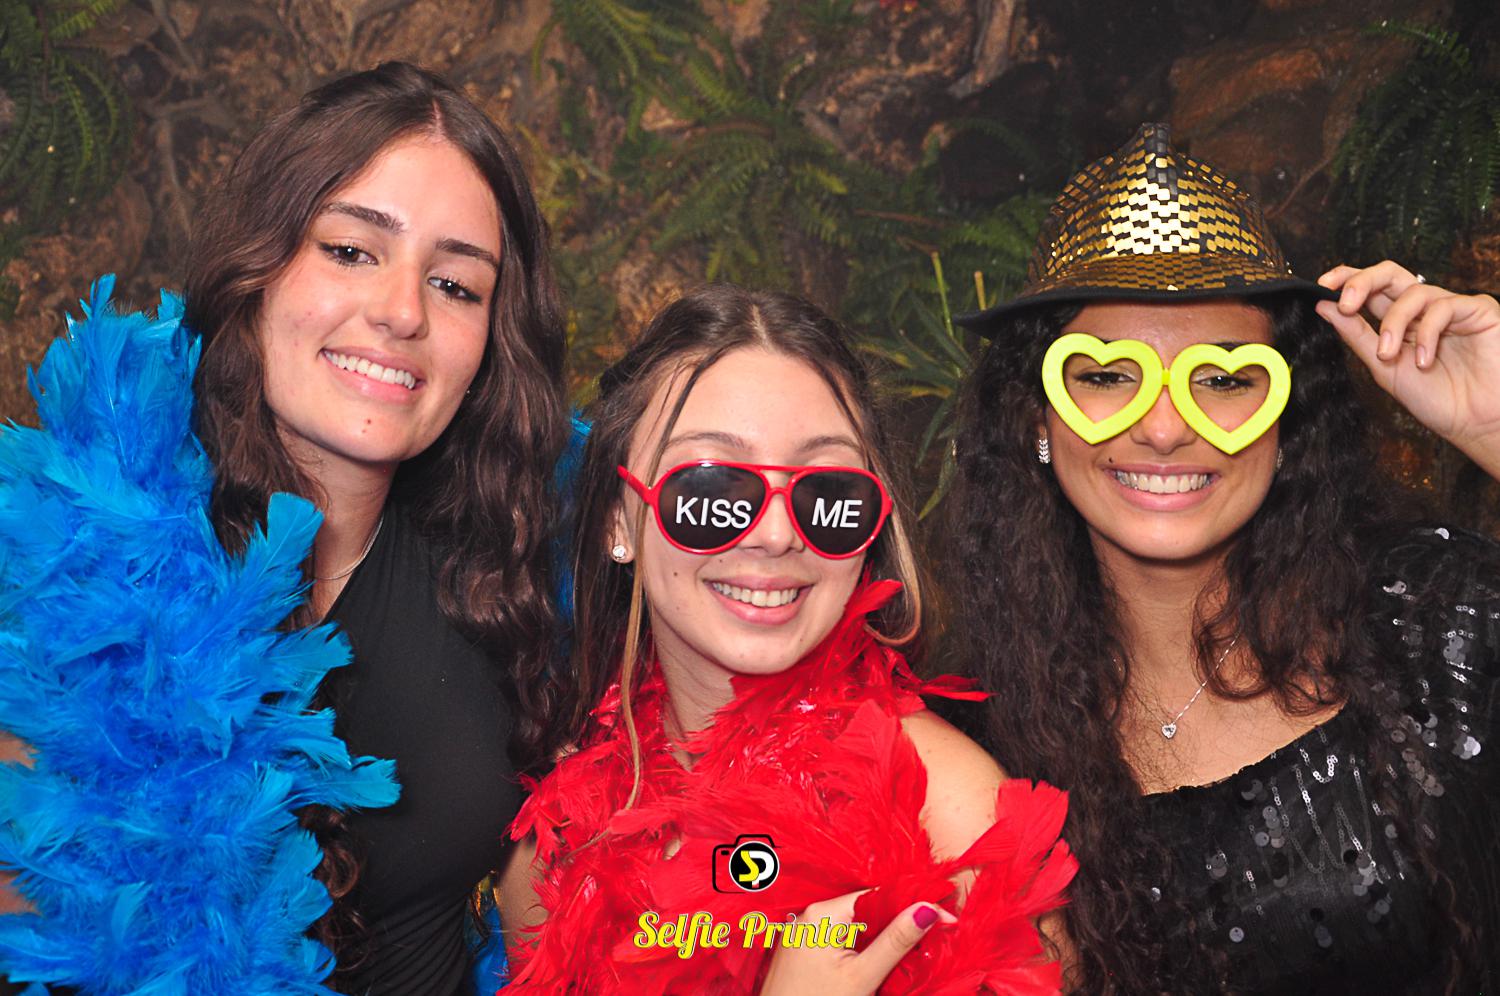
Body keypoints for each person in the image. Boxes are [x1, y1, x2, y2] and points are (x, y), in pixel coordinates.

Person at [1, 62, 570, 994]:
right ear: (258, 267)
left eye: (456, 284)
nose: (402, 312)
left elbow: (554, 933)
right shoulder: (79, 572)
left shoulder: (510, 566)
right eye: (351, 250)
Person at [949, 122, 1500, 993]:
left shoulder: (1440, 617)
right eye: (1107, 376)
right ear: (1037, 420)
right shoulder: (973, 755)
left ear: (1287, 421)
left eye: (1225, 379)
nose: (1166, 428)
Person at [497, 285, 1077, 994]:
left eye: (826, 491)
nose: (775, 535)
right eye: (712, 487)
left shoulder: (959, 822)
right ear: (616, 521)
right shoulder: (556, 844)